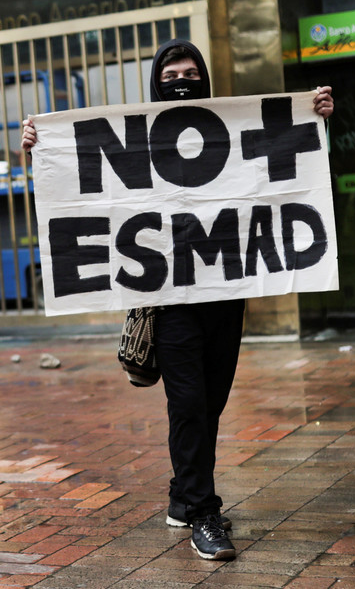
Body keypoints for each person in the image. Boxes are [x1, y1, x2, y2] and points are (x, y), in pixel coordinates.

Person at [21, 38, 335, 561]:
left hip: (225, 294)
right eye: (171, 77)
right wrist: (38, 145)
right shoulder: (136, 145)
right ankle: (203, 512)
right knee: (187, 403)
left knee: (209, 404)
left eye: (191, 73)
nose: (182, 81)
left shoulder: (227, 138)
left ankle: (180, 498)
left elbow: (290, 174)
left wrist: (317, 120)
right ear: (155, 86)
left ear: (205, 80)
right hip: (167, 301)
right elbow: (68, 186)